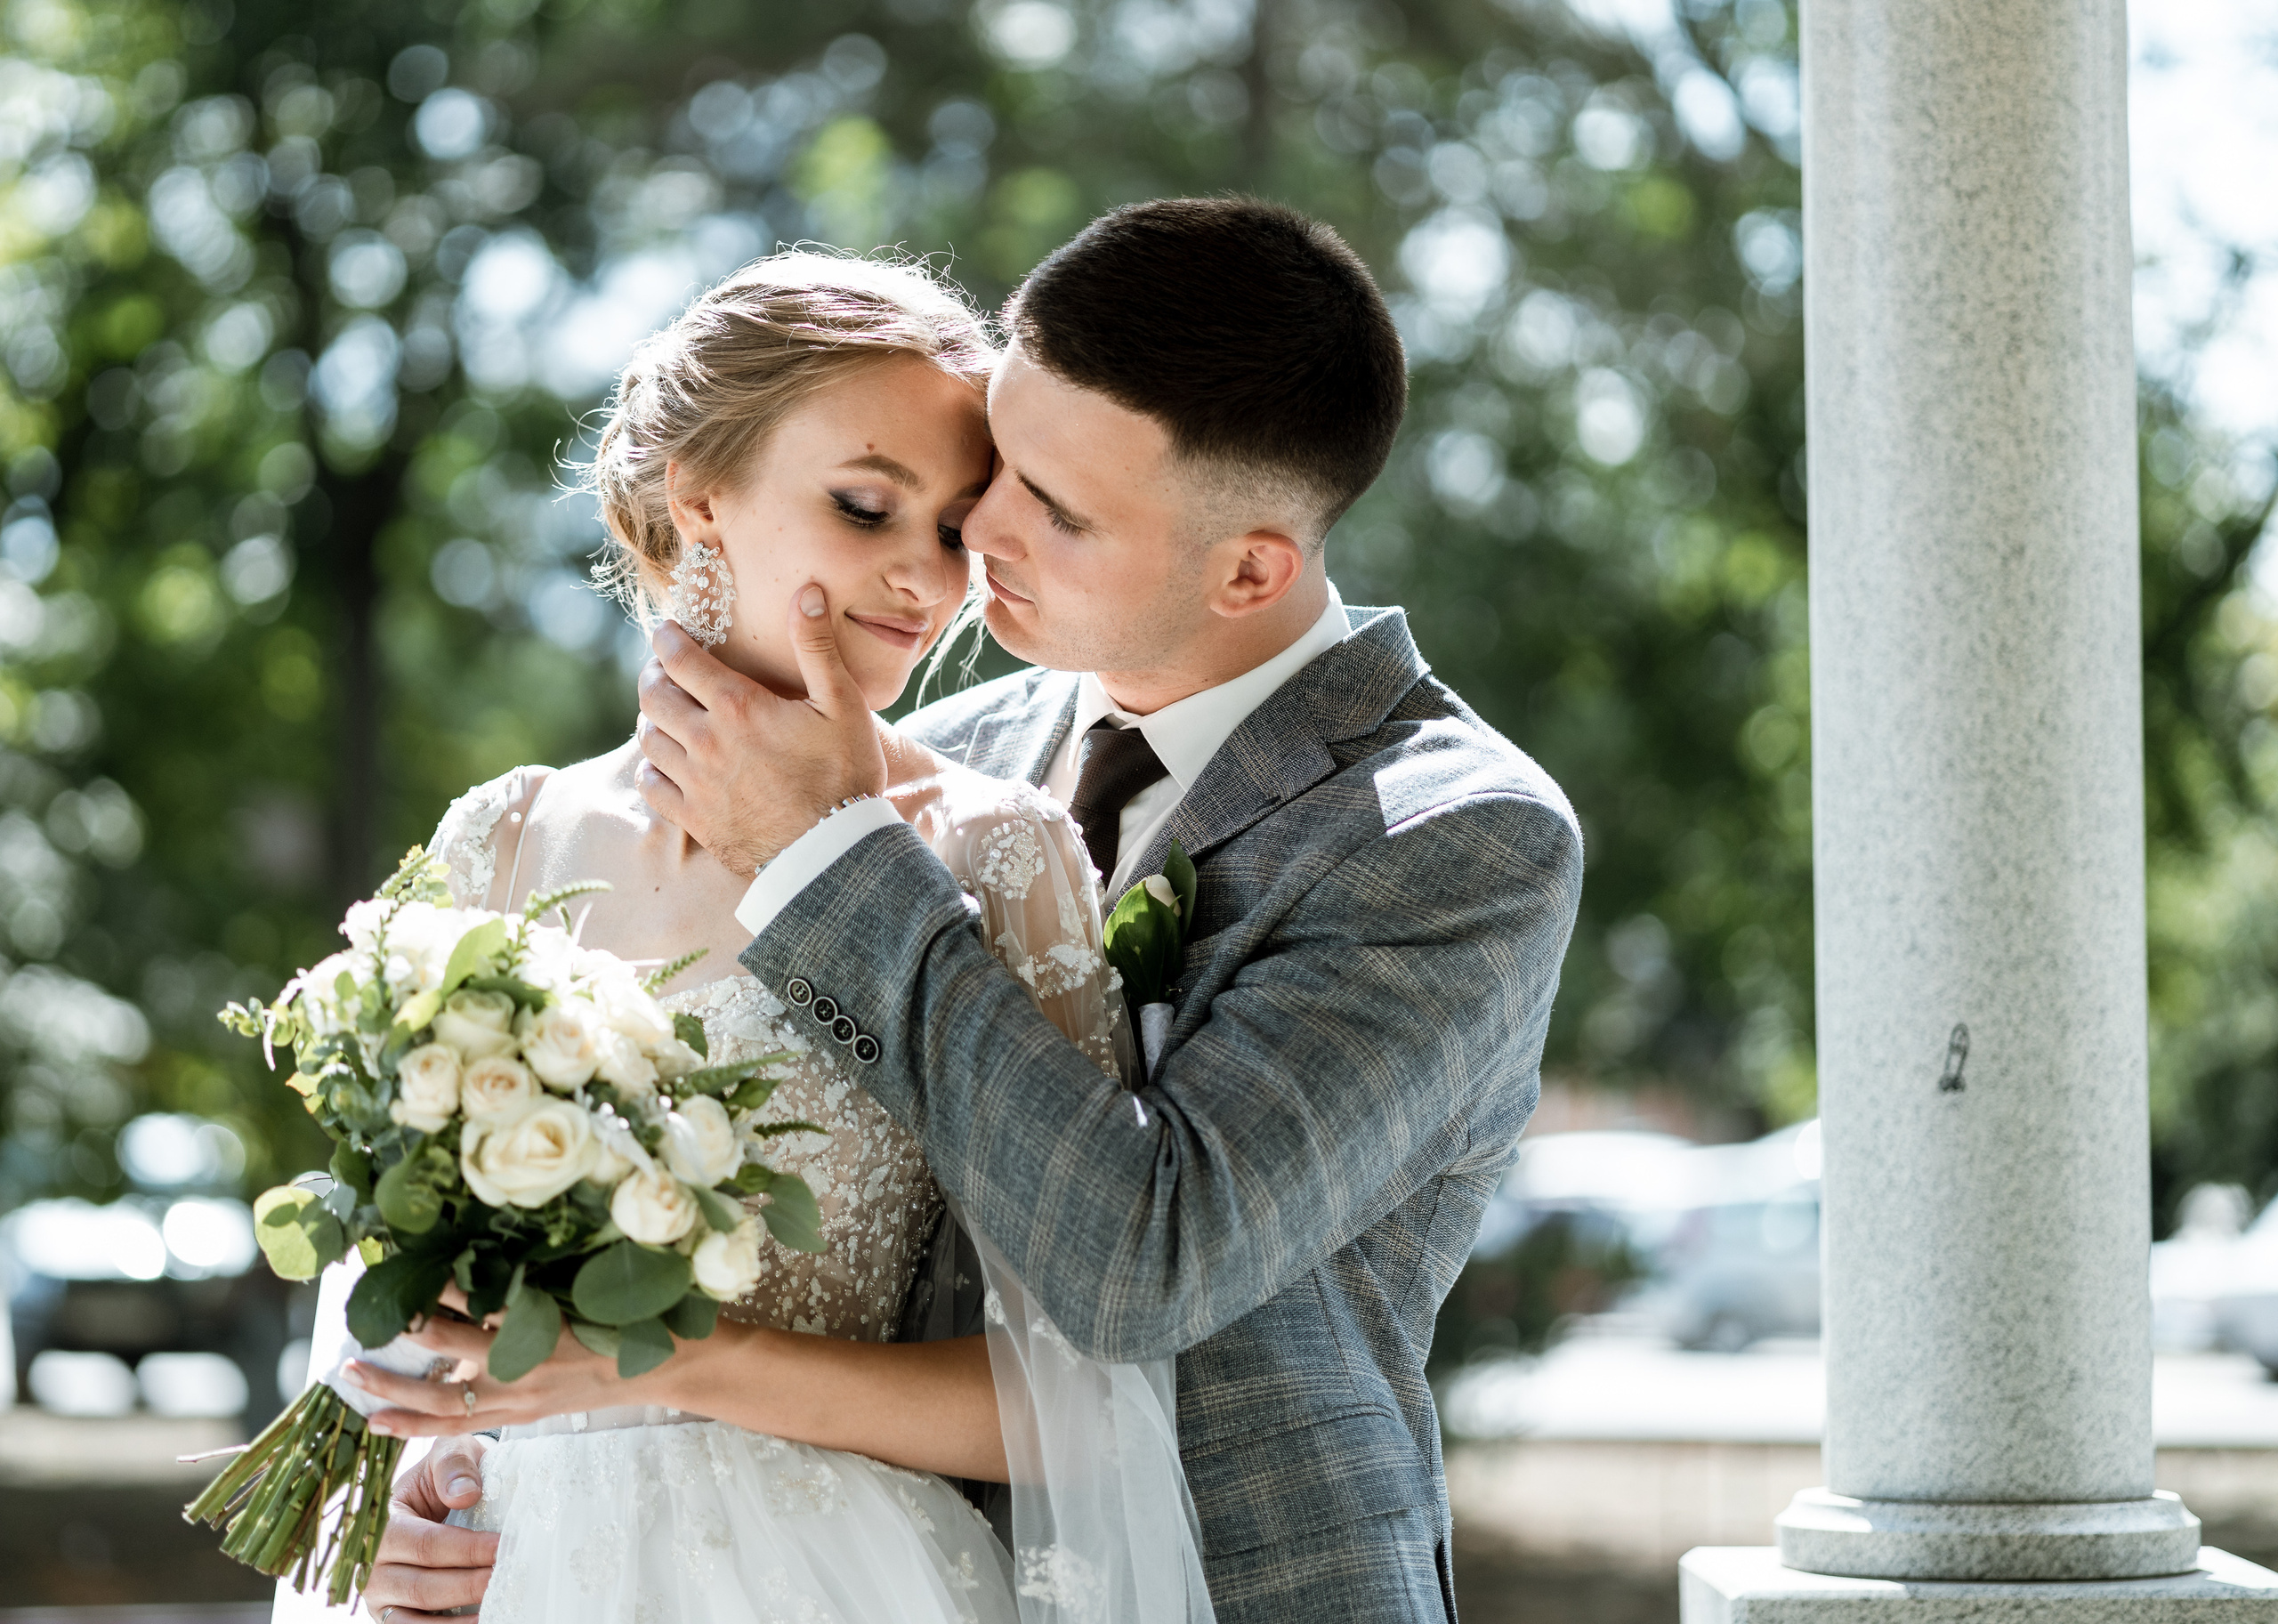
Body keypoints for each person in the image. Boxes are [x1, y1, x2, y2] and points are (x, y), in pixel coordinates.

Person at [631, 198, 1586, 1621]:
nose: (979, 525)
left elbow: (1146, 1260)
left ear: (1251, 566)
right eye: (1001, 459)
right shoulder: (955, 739)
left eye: (1059, 510)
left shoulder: (1458, 838)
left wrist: (828, 853)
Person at [287, 251, 1210, 1624]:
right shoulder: (504, 838)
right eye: (864, 504)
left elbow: (1080, 1415)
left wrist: (670, 1358)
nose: (924, 576)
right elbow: (388, 1301)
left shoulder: (989, 853)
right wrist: (390, 1498)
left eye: (954, 528)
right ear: (698, 496)